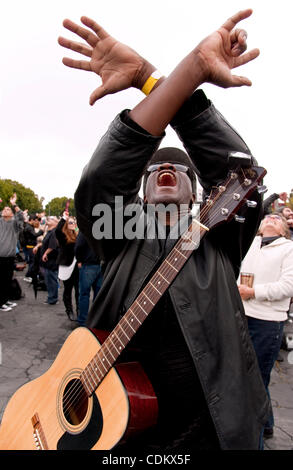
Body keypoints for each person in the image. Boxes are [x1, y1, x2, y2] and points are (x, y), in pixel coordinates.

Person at [59, 9, 270, 451]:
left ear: (198, 191)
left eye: (179, 168)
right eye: (156, 167)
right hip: (113, 428)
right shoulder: (119, 233)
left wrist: (187, 75)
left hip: (209, 430)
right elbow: (100, 180)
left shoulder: (220, 234)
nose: (167, 169)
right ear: (140, 191)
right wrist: (148, 80)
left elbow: (239, 172)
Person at [238, 214, 293, 439]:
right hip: (241, 315)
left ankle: (257, 432)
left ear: (283, 231)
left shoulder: (288, 248)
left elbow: (288, 286)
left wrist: (254, 292)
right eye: (268, 217)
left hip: (268, 322)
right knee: (243, 373)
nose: (272, 218)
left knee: (258, 376)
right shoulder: (249, 242)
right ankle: (267, 423)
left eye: (277, 219)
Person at [0, 194, 23, 312]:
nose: (5, 209)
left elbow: (21, 216)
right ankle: (1, 303)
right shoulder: (0, 222)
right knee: (1, 280)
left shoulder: (15, 224)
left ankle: (5, 299)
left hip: (10, 257)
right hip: (1, 257)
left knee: (8, 279)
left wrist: (14, 204)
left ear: (12, 214)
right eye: (4, 209)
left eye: (8, 209)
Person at [74, 231, 102, 326]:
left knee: (84, 294)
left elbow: (79, 245)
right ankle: (95, 320)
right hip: (100, 264)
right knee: (98, 295)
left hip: (88, 264)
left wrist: (79, 260)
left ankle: (83, 321)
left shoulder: (85, 228)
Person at [55, 211, 79, 320]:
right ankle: (69, 310)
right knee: (68, 289)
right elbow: (57, 230)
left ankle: (79, 310)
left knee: (78, 289)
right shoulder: (63, 236)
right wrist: (64, 218)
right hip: (66, 266)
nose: (72, 224)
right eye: (70, 223)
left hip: (77, 267)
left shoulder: (78, 235)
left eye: (73, 223)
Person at [40, 216, 59, 305]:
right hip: (48, 260)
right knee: (49, 279)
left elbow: (53, 245)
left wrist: (45, 253)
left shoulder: (54, 232)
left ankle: (53, 298)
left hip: (52, 260)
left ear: (56, 223)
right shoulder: (49, 231)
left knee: (51, 279)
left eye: (51, 219)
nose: (48, 220)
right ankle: (51, 297)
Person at [23, 214, 44, 282]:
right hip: (30, 246)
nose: (36, 222)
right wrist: (41, 231)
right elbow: (34, 235)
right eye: (35, 220)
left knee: (33, 262)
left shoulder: (29, 226)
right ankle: (27, 276)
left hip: (30, 245)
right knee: (32, 262)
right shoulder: (29, 227)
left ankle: (31, 275)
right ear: (31, 220)